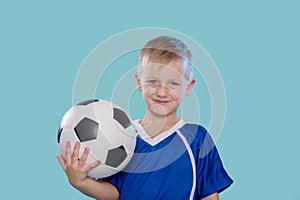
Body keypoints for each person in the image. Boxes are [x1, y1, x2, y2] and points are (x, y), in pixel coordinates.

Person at [57, 35, 233, 200]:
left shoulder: (197, 138)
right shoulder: (122, 136)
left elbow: (210, 195)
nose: (162, 92)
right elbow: (113, 193)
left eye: (173, 83)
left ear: (188, 86)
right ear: (138, 81)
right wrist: (80, 182)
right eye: (153, 81)